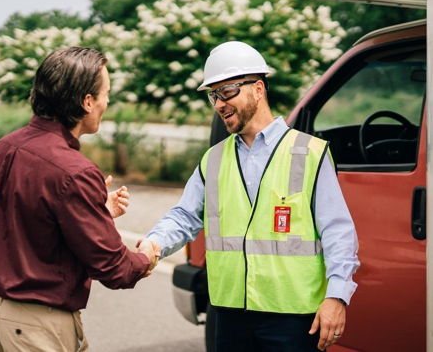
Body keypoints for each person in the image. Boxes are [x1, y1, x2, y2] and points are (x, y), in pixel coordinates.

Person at [145, 41, 360, 351]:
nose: (219, 103)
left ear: (258, 89)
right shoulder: (213, 159)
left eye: (227, 91)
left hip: (294, 318)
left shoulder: (309, 153)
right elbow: (185, 216)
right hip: (231, 317)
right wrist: (153, 243)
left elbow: (338, 233)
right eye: (213, 95)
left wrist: (336, 296)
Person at [0, 47, 159, 352]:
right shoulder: (75, 171)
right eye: (105, 94)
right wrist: (147, 256)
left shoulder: (2, 149)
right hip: (37, 325)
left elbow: (28, 223)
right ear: (87, 102)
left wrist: (97, 214)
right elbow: (113, 268)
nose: (107, 102)